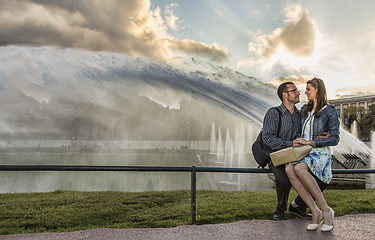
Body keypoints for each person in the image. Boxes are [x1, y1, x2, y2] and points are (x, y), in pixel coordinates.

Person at [262, 81, 328, 221]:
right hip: (279, 157)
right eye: (294, 90)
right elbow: (267, 138)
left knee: (320, 177)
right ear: (285, 95)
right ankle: (280, 209)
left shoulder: (302, 114)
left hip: (298, 156)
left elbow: (311, 128)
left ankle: (298, 206)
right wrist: (289, 144)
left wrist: (326, 133)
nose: (299, 93)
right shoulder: (273, 113)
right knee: (284, 181)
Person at [285, 77, 340, 232]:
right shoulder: (304, 110)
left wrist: (312, 142)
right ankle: (315, 211)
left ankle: (326, 210)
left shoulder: (330, 111)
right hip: (304, 151)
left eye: (308, 89)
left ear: (317, 90)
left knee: (299, 169)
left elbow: (335, 139)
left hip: (319, 151)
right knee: (290, 169)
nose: (305, 92)